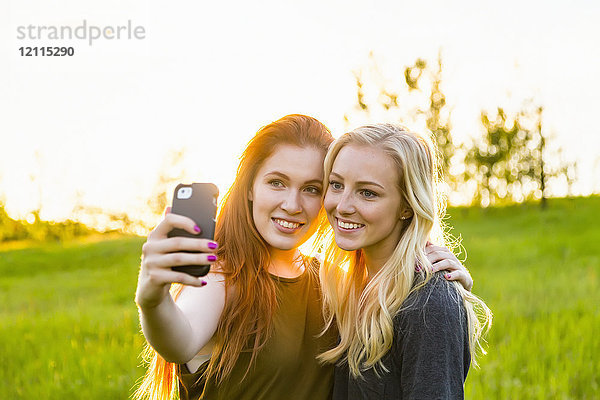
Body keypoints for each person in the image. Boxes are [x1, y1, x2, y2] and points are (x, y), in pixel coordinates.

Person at [133, 115, 474, 400]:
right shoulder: (222, 276)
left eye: (312, 188)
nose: (293, 205)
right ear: (250, 187)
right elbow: (180, 340)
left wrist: (444, 296)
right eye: (277, 183)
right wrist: (153, 299)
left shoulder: (334, 283)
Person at [317, 123, 492, 399]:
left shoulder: (428, 304)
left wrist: (447, 302)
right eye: (336, 185)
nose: (342, 205)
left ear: (407, 206)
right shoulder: (349, 288)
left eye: (367, 193)